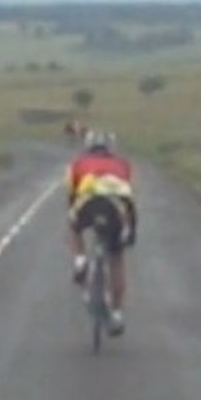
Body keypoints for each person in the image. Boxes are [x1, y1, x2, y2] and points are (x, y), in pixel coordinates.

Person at [65, 130, 137, 336]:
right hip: (117, 207)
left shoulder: (79, 164)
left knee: (73, 225)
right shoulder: (123, 164)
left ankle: (80, 260)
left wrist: (74, 216)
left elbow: (71, 195)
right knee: (117, 258)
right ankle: (116, 314)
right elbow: (128, 194)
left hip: (88, 202)